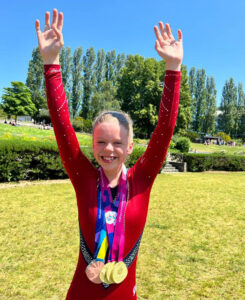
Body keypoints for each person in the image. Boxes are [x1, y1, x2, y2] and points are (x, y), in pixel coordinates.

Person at [35, 8, 183, 300]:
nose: (109, 150)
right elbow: (63, 127)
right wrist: (51, 63)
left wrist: (173, 70)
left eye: (117, 143)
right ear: (93, 145)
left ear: (130, 147)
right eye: (101, 142)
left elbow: (165, 129)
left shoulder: (142, 178)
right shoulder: (83, 178)